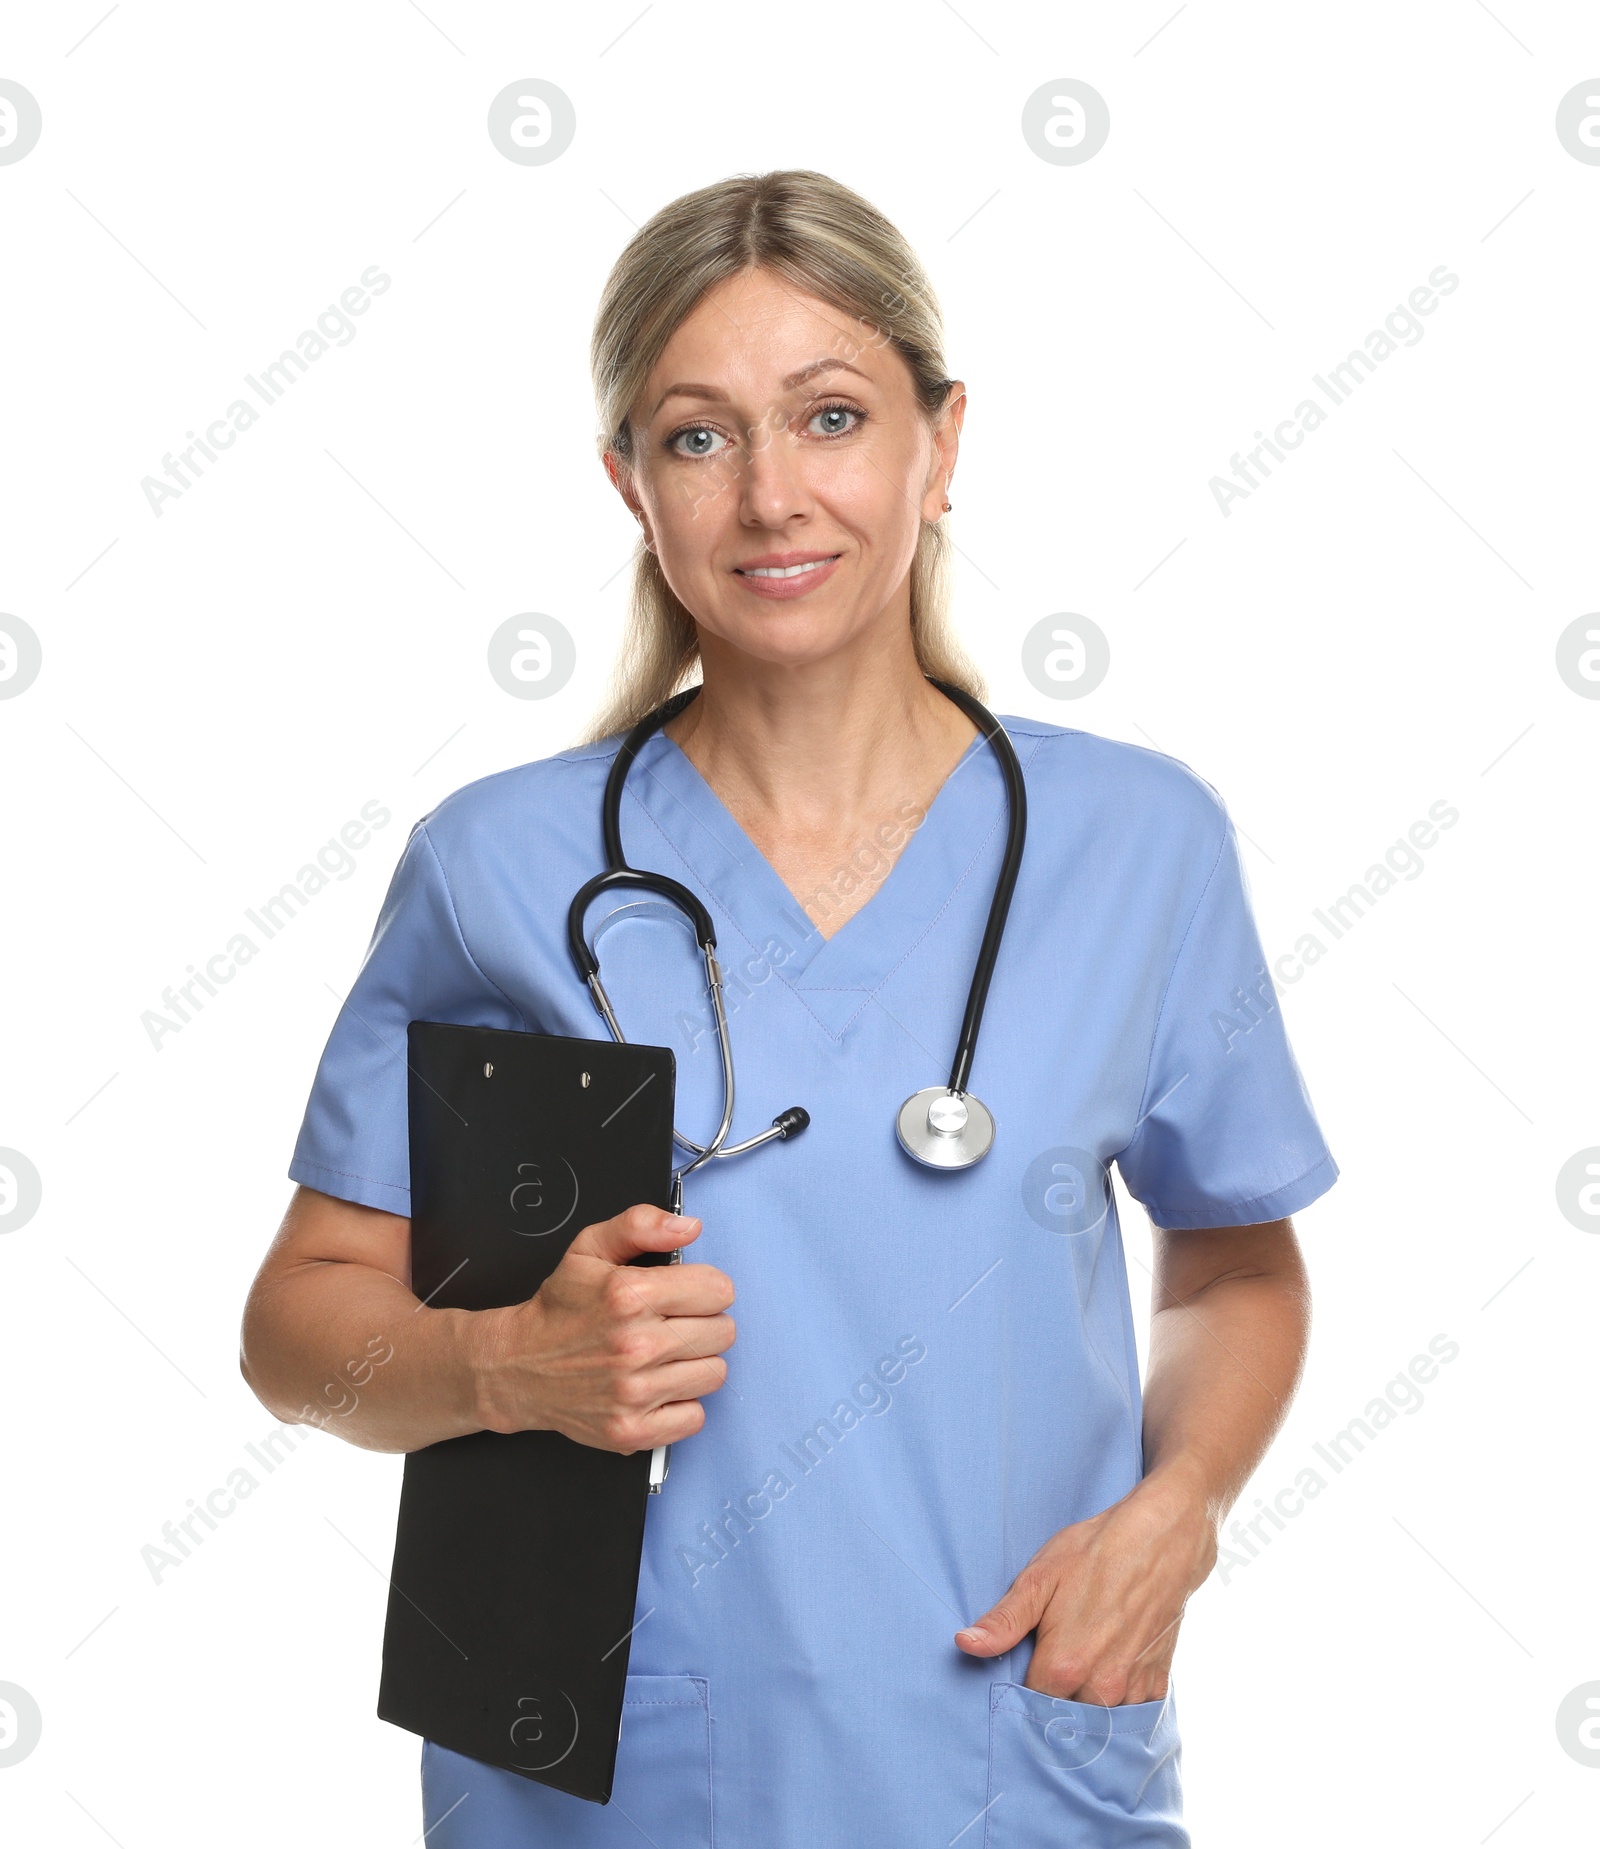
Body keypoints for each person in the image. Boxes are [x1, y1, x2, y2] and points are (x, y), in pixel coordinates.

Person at [239, 169, 1337, 1847]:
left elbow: (1239, 1261)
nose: (770, 496)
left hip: (1016, 1762)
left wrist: (1179, 1510)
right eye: (698, 436)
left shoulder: (1141, 845)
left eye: (831, 416)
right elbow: (298, 1330)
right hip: (611, 1786)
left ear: (940, 442)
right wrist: (504, 1366)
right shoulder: (498, 866)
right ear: (629, 483)